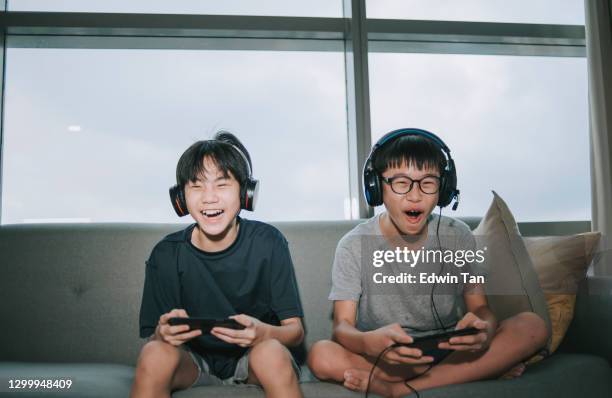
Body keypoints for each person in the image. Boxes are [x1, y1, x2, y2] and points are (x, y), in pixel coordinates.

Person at [307, 128, 549, 397]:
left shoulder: (458, 236)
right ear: (376, 188)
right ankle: (470, 374)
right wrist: (367, 342)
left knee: (532, 325)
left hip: (448, 351)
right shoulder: (353, 245)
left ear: (443, 190)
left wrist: (484, 332)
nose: (415, 195)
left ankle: (397, 389)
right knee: (321, 355)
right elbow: (342, 328)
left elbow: (482, 309)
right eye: (400, 182)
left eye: (428, 183)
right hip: (386, 355)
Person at [130, 131, 304, 398]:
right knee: (153, 353)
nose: (209, 198)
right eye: (196, 186)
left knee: (270, 353)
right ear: (180, 198)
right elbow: (153, 340)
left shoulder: (269, 242)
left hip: (254, 358)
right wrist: (162, 334)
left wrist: (262, 333)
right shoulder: (166, 254)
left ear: (246, 193)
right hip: (192, 362)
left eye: (222, 185)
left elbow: (295, 332)